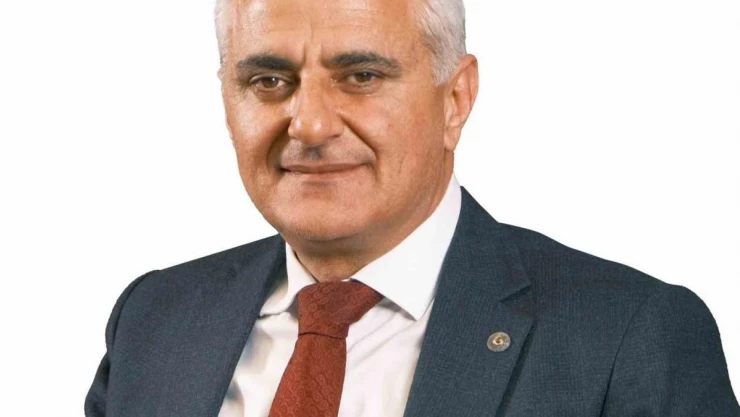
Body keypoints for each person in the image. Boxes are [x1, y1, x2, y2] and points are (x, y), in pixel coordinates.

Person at [85, 0, 739, 415]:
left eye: (361, 76)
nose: (309, 123)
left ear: (455, 99)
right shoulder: (154, 320)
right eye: (268, 80)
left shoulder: (629, 338)